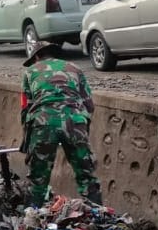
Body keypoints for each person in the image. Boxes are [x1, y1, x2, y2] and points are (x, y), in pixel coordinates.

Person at [20, 42, 101, 206]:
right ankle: (98, 214)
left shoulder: (30, 72)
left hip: (43, 123)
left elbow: (25, 109)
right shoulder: (75, 69)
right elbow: (89, 105)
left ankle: (32, 215)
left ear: (37, 56)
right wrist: (82, 131)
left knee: (38, 178)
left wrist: (27, 141)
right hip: (75, 122)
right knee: (86, 175)